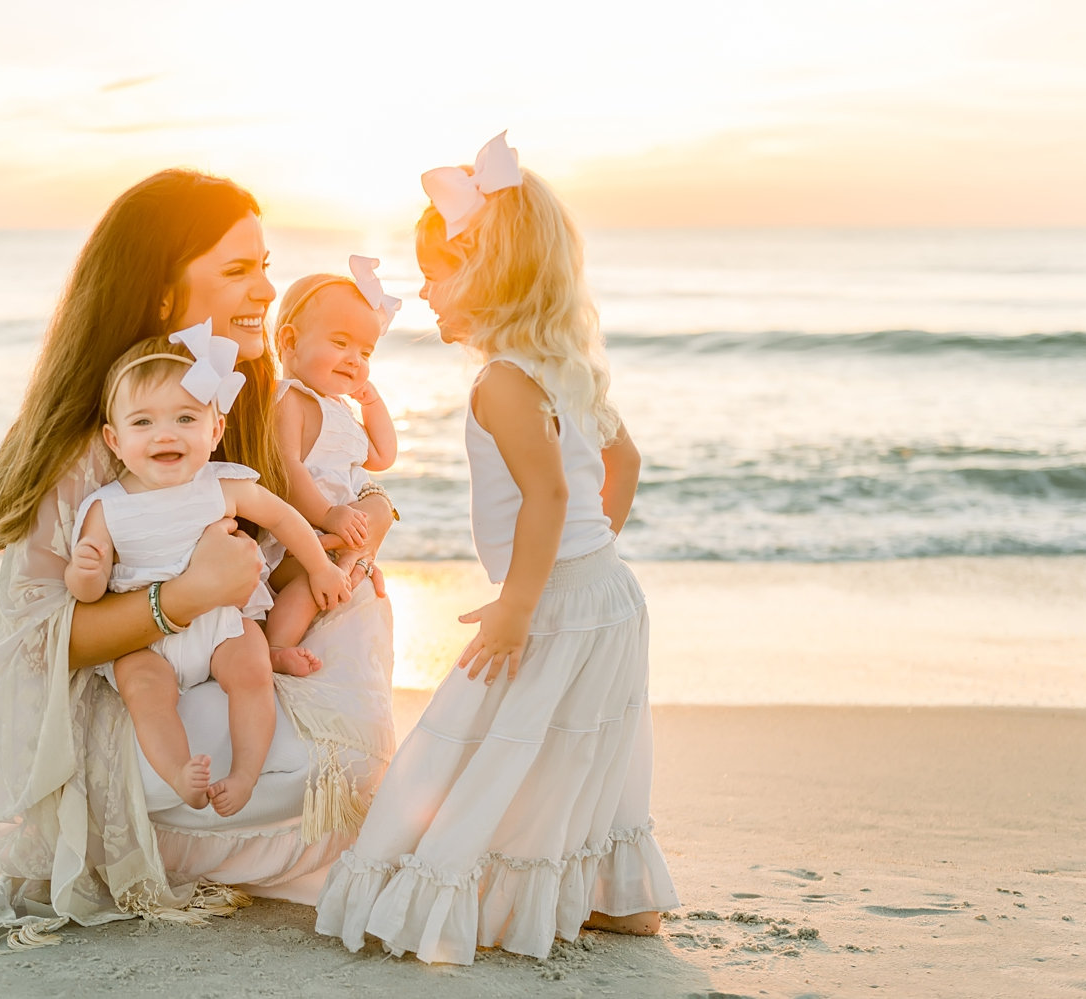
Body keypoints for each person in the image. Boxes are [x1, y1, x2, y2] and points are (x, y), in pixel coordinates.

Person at [0, 169, 398, 957]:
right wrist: (184, 595)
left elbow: (307, 511)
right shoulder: (113, 433)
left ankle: (259, 827)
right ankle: (220, 830)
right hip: (126, 713)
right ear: (164, 294)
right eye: (238, 269)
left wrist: (372, 511)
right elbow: (38, 639)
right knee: (326, 768)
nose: (265, 289)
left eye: (266, 266)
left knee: (356, 612)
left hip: (213, 664)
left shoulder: (232, 402)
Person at [314, 133, 679, 965]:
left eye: (436, 272)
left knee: (486, 735)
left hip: (551, 600)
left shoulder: (503, 381)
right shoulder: (562, 364)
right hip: (605, 594)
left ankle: (466, 888)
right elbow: (621, 463)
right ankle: (604, 896)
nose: (423, 292)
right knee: (579, 746)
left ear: (486, 273)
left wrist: (520, 602)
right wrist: (591, 557)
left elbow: (550, 494)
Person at [66, 330, 353, 817]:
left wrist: (321, 565)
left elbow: (284, 517)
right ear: (115, 440)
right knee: (144, 693)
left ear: (214, 430)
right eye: (143, 422)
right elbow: (86, 594)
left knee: (252, 673)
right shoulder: (106, 508)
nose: (166, 433)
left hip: (222, 621)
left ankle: (244, 773)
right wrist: (87, 571)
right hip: (145, 641)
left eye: (185, 418)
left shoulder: (222, 484)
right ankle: (180, 771)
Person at [264, 255, 400, 658]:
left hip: (338, 540)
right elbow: (285, 468)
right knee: (309, 577)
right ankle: (276, 646)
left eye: (366, 352)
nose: (355, 360)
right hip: (297, 543)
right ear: (290, 341)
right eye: (340, 344)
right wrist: (327, 515)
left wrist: (372, 403)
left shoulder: (338, 407)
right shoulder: (290, 398)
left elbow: (380, 456)